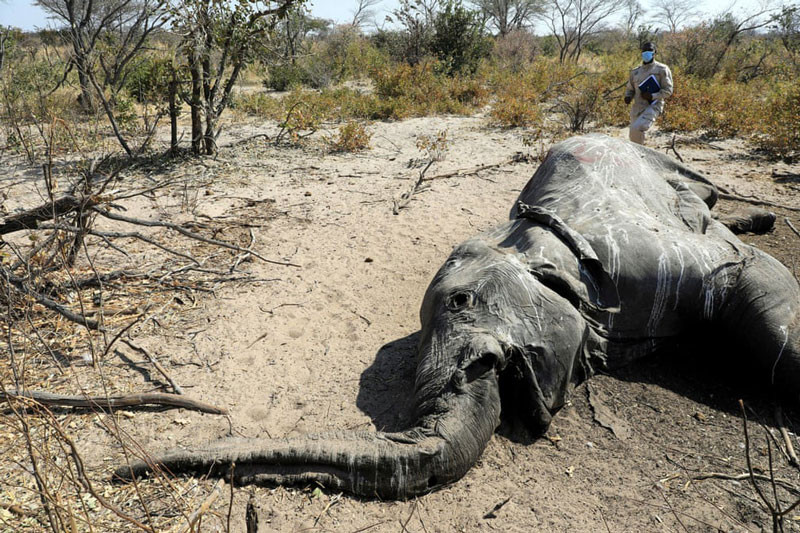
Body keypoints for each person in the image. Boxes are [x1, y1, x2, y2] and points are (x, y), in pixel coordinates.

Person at [624, 42, 673, 145]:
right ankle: (639, 155)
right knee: (633, 136)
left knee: (637, 128)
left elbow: (668, 90)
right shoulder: (635, 72)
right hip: (637, 108)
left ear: (655, 52)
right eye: (644, 51)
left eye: (650, 51)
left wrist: (653, 96)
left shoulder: (662, 69)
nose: (647, 53)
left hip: (653, 106)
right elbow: (630, 88)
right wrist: (628, 96)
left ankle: (639, 155)